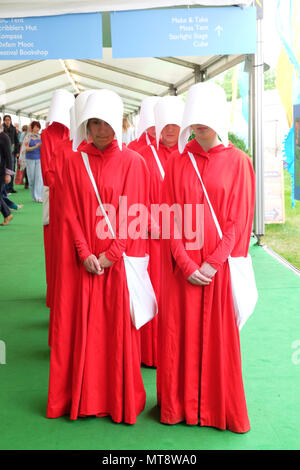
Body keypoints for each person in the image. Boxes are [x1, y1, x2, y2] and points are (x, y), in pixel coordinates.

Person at [47, 89, 150, 424]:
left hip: (116, 264)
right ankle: (82, 395)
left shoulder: (134, 163)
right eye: (94, 123)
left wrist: (110, 255)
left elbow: (134, 214)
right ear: (86, 125)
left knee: (115, 330)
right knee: (82, 327)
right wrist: (84, 251)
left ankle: (116, 397)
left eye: (106, 123)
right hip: (85, 260)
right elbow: (70, 212)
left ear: (118, 124)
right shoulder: (75, 162)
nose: (101, 130)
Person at [157, 82, 255, 433]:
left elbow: (239, 220)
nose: (200, 126)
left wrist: (212, 262)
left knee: (218, 338)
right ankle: (179, 406)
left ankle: (216, 408)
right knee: (178, 336)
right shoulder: (178, 163)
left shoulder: (239, 163)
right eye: (194, 119)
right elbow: (168, 217)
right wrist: (184, 262)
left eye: (206, 119)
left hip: (219, 268)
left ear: (219, 118)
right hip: (182, 270)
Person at [139, 96, 184, 368]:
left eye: (175, 124)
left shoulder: (189, 156)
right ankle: (153, 352)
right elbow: (131, 196)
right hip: (152, 238)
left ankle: (177, 351)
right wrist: (147, 223)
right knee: (155, 292)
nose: (169, 130)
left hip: (186, 236)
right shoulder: (143, 156)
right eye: (165, 124)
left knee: (178, 295)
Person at [40, 89, 74, 309]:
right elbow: (48, 174)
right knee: (56, 246)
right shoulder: (49, 135)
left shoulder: (76, 133)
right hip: (57, 197)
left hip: (67, 195)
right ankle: (56, 292)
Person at [24, 121, 43, 202]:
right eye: (35, 127)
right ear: (32, 127)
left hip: (39, 159)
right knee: (31, 179)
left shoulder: (41, 137)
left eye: (38, 127)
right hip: (29, 159)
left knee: (39, 178)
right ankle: (34, 196)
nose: (37, 129)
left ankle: (39, 196)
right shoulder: (28, 137)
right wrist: (36, 146)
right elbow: (26, 149)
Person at [3, 115, 20, 194]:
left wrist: (17, 151)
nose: (7, 121)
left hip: (12, 153)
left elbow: (17, 141)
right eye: (6, 120)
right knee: (5, 169)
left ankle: (11, 187)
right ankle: (5, 188)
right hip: (3, 153)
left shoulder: (13, 129)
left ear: (10, 120)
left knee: (12, 169)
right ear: (4, 121)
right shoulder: (2, 129)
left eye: (8, 120)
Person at [0, 125, 13, 225]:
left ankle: (7, 214)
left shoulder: (4, 137)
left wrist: (8, 174)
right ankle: (7, 214)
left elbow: (9, 156)